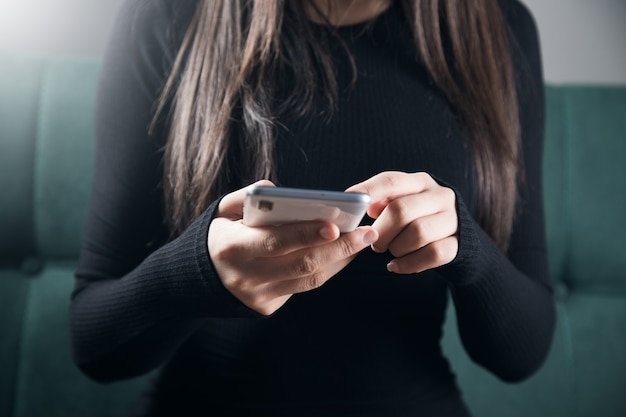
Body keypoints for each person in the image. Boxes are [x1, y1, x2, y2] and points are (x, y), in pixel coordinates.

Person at [70, 0, 556, 415]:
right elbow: (94, 344)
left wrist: (462, 245)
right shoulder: (169, 16)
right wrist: (199, 273)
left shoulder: (497, 26)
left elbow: (522, 354)